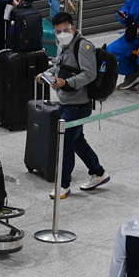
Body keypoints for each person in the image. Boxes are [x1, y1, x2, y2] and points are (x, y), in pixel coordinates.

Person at [47, 12, 109, 199]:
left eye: (65, 30)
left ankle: (63, 185)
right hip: (66, 101)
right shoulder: (63, 46)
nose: (61, 34)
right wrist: (46, 75)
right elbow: (59, 67)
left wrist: (66, 83)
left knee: (66, 143)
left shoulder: (83, 46)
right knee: (77, 141)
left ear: (73, 29)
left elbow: (89, 74)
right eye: (58, 31)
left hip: (78, 104)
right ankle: (98, 172)